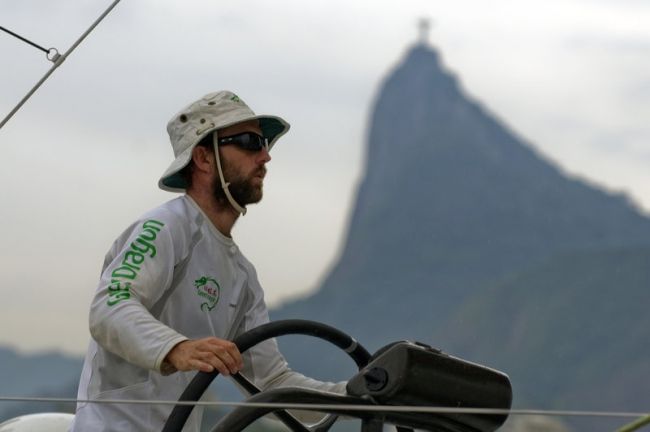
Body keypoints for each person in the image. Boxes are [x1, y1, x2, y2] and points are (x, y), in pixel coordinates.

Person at [71, 91, 345, 431]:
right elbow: (109, 307)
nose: (265, 157)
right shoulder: (165, 226)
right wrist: (177, 348)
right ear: (203, 158)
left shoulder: (242, 276)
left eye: (265, 144)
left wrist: (360, 398)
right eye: (250, 142)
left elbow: (271, 383)